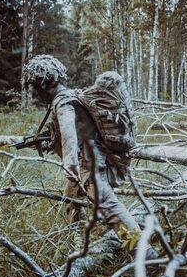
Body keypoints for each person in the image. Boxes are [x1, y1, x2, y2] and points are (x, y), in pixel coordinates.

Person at [22, 55, 139, 232]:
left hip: (87, 166)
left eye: (37, 87)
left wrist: (70, 163)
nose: (37, 94)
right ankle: (74, 237)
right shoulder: (74, 95)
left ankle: (144, 251)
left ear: (46, 84)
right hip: (88, 162)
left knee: (109, 208)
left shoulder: (63, 102)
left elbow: (69, 130)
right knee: (70, 199)